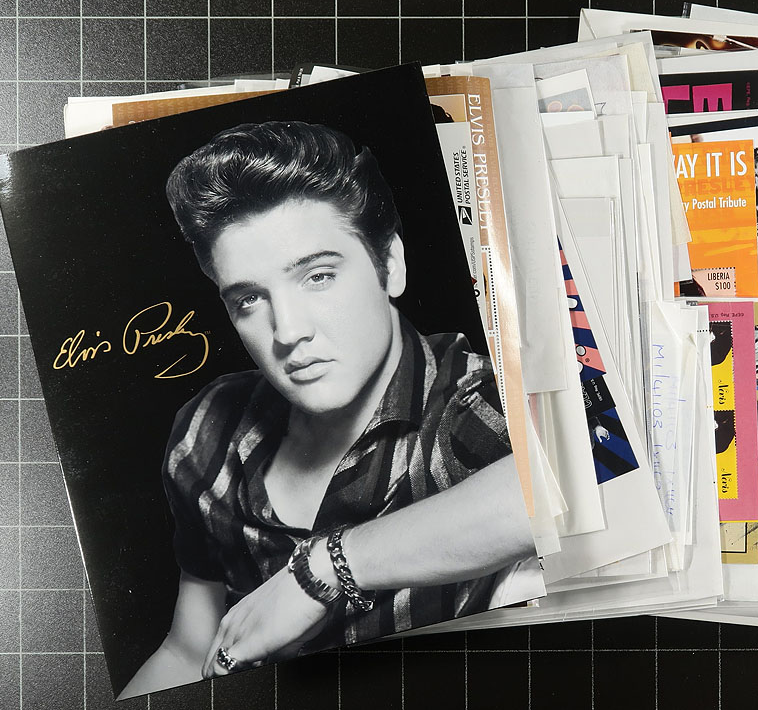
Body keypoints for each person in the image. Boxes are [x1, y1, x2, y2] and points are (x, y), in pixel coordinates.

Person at [122, 121, 537, 696]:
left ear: (390, 264)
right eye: (250, 299)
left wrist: (322, 570)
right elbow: (189, 649)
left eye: (318, 276)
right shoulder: (208, 429)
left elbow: (583, 476)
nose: (287, 331)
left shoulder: (475, 405)